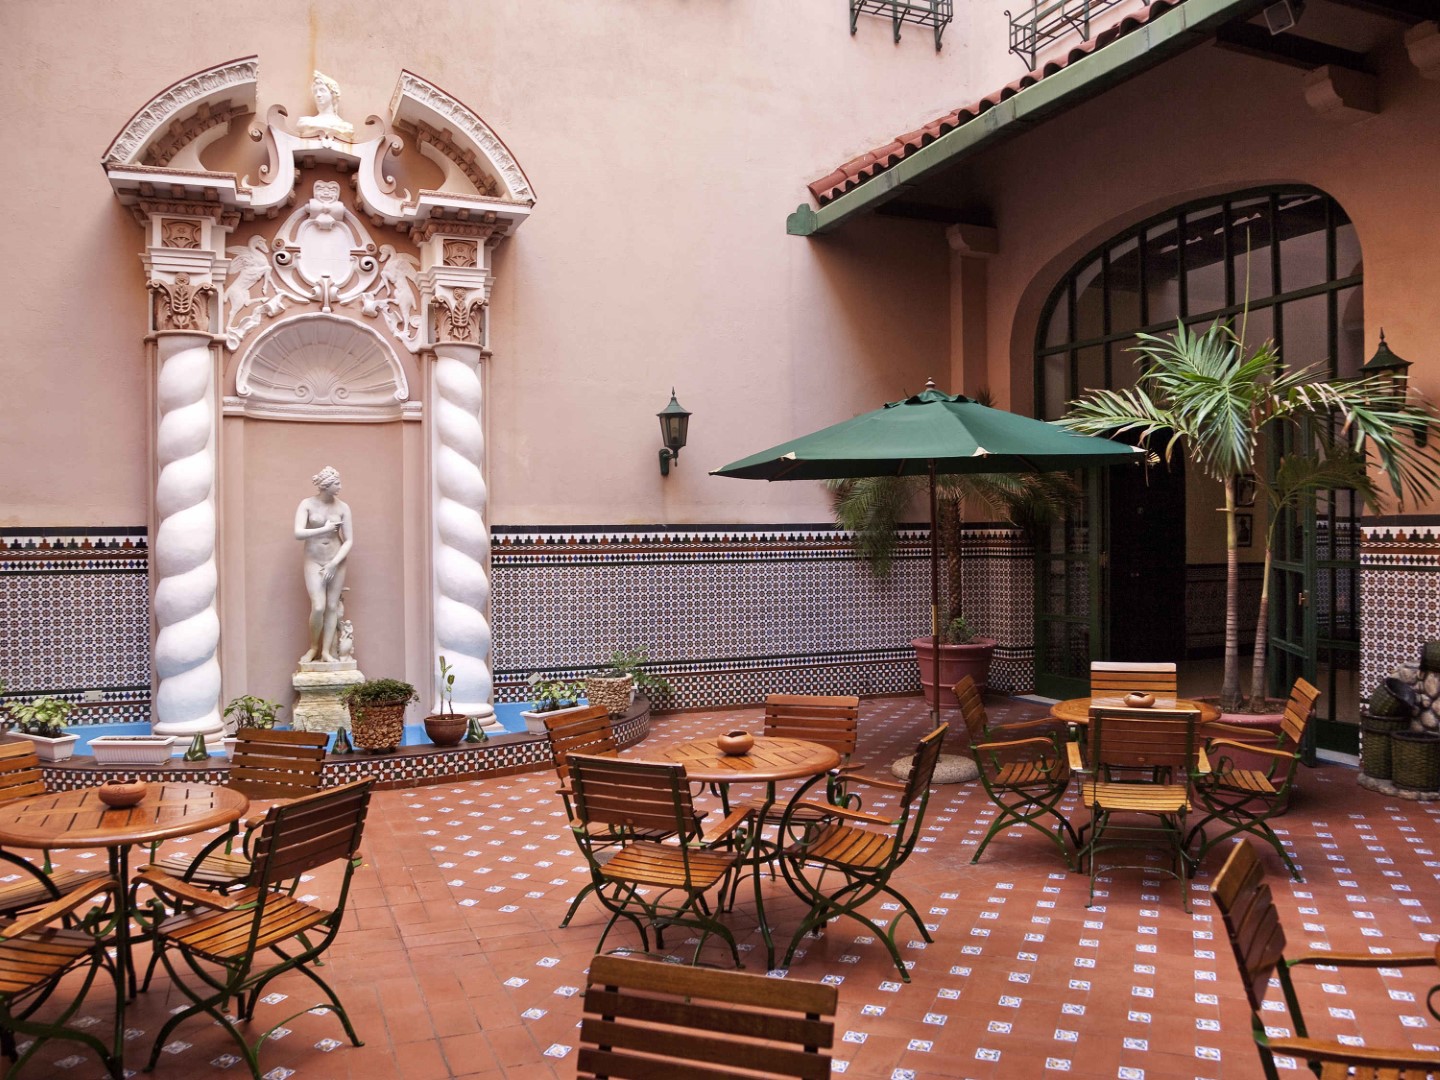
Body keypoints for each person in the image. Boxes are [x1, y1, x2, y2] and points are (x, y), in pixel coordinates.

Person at [295, 466, 354, 663]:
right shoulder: (307, 504)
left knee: (331, 605)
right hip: (313, 559)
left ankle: (326, 651)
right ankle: (313, 647)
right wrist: (324, 529)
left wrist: (334, 563)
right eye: (337, 483)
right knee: (318, 606)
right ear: (326, 485)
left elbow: (349, 540)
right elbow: (298, 533)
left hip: (336, 560)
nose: (340, 486)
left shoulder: (343, 507)